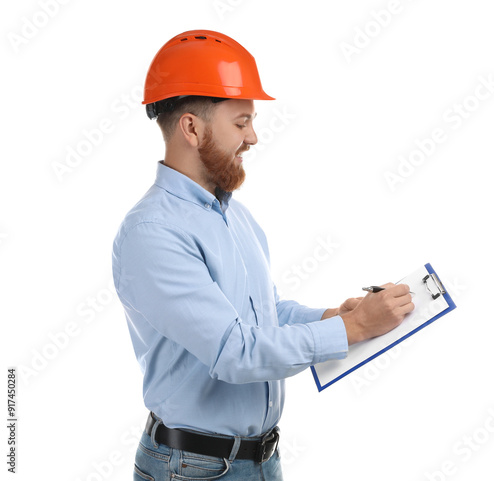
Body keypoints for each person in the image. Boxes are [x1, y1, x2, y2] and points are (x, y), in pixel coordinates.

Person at [111, 29, 414, 481]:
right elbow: (235, 351)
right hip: (192, 469)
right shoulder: (152, 233)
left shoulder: (235, 217)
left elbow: (264, 315)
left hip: (258, 459)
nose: (253, 136)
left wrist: (334, 316)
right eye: (240, 121)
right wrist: (352, 329)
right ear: (191, 127)